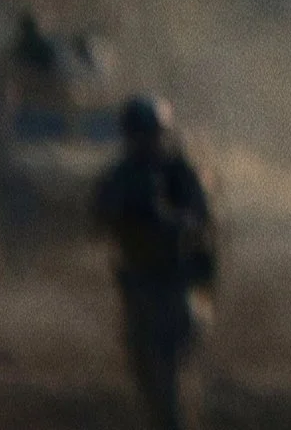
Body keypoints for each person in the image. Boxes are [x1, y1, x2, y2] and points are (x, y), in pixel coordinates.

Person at [92, 96, 215, 430]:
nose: (146, 141)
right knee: (145, 376)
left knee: (170, 379)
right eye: (139, 134)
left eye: (151, 133)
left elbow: (201, 221)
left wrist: (166, 222)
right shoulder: (122, 174)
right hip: (139, 286)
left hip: (176, 285)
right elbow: (99, 221)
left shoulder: (180, 171)